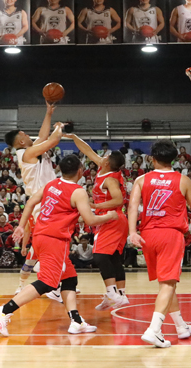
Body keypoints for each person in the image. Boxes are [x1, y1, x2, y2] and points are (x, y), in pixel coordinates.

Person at [0, 154, 118, 336]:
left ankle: (76, 321)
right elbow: (90, 220)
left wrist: (20, 226)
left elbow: (31, 202)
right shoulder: (78, 191)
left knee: (69, 278)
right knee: (47, 282)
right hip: (54, 240)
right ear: (80, 171)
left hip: (41, 236)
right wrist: (109, 216)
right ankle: (4, 310)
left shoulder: (51, 184)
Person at [127, 139, 191, 348]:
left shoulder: (141, 179)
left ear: (152, 159)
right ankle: (154, 330)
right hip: (170, 234)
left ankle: (180, 326)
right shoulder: (183, 180)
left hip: (148, 235)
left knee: (166, 283)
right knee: (168, 283)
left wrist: (132, 232)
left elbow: (132, 207)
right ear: (174, 159)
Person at [4, 102, 63, 295]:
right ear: (21, 142)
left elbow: (43, 136)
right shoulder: (28, 153)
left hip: (50, 199)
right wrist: (59, 128)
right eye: (25, 135)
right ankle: (48, 277)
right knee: (51, 243)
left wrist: (48, 113)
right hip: (42, 203)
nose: (29, 135)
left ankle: (54, 278)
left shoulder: (29, 150)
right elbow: (52, 140)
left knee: (59, 242)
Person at [65, 133, 129, 310]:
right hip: (115, 219)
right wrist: (74, 137)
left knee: (99, 256)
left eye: (106, 156)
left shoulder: (109, 179)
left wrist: (95, 205)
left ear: (107, 162)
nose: (103, 156)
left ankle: (112, 293)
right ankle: (121, 295)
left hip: (111, 218)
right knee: (113, 257)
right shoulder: (104, 167)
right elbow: (87, 150)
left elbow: (118, 200)